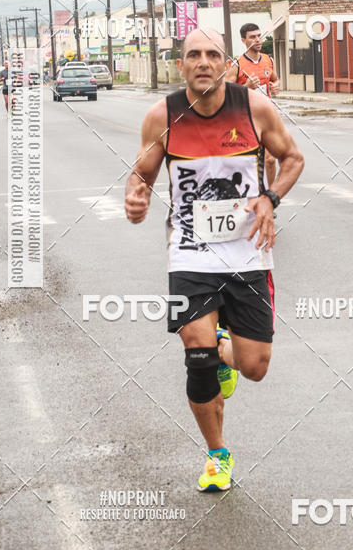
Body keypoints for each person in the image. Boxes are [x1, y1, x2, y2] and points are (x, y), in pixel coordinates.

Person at [124, 28, 304, 492]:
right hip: (189, 253)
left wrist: (269, 198)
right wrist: (135, 196)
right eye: (192, 55)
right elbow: (141, 173)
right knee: (196, 356)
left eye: (212, 55)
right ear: (180, 65)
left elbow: (293, 159)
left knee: (255, 366)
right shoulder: (161, 116)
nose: (203, 62)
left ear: (227, 64)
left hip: (247, 253)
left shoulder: (255, 109)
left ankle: (228, 349)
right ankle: (217, 454)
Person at [226, 22, 280, 186]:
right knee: (247, 162)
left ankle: (268, 197)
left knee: (270, 160)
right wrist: (246, 87)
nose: (257, 40)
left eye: (259, 36)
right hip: (244, 119)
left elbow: (275, 79)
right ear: (244, 40)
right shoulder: (237, 64)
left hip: (266, 117)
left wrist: (276, 86)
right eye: (252, 37)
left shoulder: (268, 60)